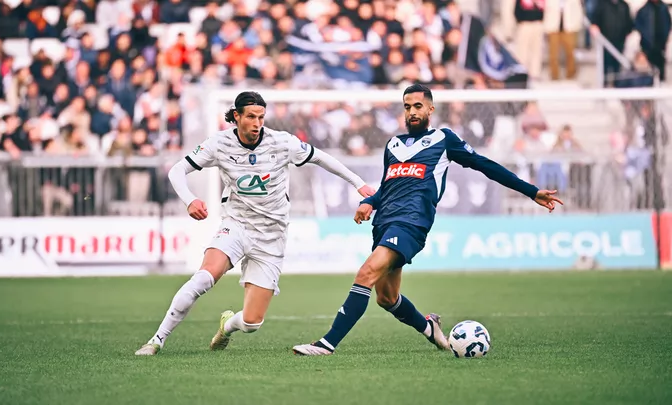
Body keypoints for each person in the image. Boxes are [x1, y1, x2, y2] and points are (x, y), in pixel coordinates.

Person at [292, 84, 563, 356]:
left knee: (366, 274)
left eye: (418, 106)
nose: (412, 112)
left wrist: (531, 191)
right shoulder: (394, 144)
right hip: (384, 222)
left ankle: (327, 344)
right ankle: (429, 327)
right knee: (386, 298)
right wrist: (369, 202)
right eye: (407, 106)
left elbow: (485, 165)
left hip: (412, 222)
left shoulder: (444, 140)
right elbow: (387, 186)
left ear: (430, 109)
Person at [135, 91, 374, 355]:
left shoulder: (282, 142)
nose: (257, 122)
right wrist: (190, 199)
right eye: (250, 116)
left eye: (261, 117)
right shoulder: (219, 143)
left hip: (272, 235)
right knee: (203, 278)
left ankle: (227, 327)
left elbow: (321, 157)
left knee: (252, 323)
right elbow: (177, 170)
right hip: (236, 225)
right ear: (236, 117)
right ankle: (156, 340)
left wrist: (358, 183)